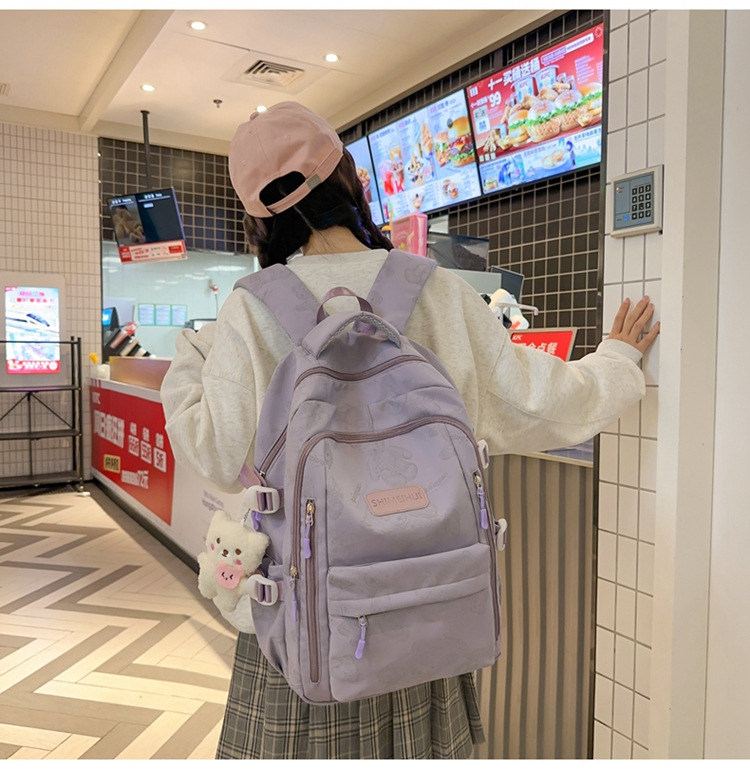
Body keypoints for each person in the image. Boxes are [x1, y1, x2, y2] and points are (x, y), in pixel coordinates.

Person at [160, 101, 659, 760]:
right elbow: (538, 404)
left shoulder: (251, 310)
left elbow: (217, 453)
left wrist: (190, 358)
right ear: (350, 178)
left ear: (259, 219)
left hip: (307, 627)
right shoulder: (434, 289)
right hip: (427, 612)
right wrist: (618, 361)